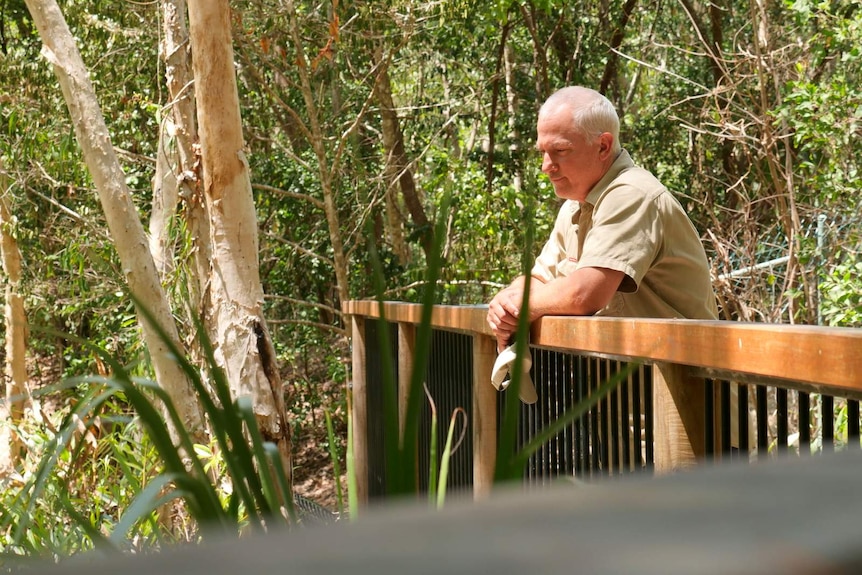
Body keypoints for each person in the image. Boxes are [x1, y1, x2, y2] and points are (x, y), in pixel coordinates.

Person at [487, 86, 718, 351]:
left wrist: (519, 306)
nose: (546, 166)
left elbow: (584, 293)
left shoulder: (631, 193)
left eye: (560, 151)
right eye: (542, 152)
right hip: (629, 383)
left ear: (603, 146)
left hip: (681, 382)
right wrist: (508, 300)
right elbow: (538, 279)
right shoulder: (575, 206)